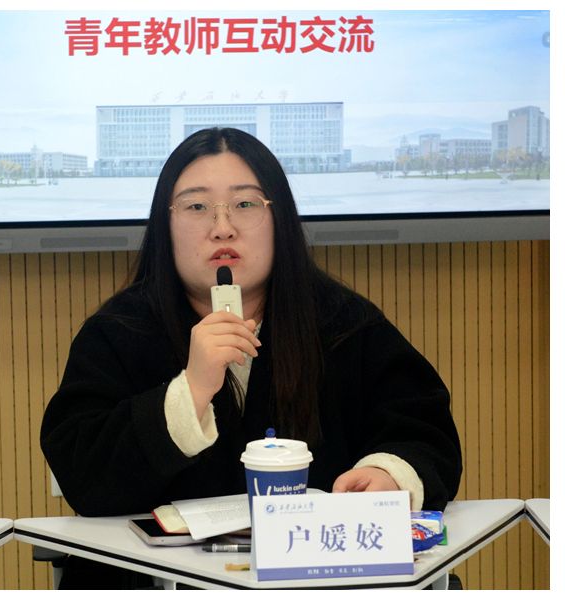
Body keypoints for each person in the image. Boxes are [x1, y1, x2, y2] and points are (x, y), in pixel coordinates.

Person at [40, 127, 462, 588]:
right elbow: (82, 474)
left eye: (245, 204)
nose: (222, 227)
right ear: (165, 224)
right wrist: (190, 392)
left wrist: (389, 474)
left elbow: (424, 430)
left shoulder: (344, 321)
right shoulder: (118, 329)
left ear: (279, 218)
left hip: (316, 581)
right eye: (196, 207)